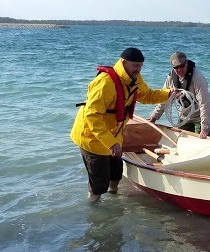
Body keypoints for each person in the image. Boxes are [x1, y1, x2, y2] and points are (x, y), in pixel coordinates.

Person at [71, 47, 175, 203]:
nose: (138, 70)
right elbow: (92, 116)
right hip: (91, 137)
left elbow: (146, 96)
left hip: (113, 134)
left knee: (116, 172)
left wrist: (169, 93)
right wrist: (111, 143)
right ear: (124, 62)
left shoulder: (134, 78)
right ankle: (95, 210)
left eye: (140, 66)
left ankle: (115, 201)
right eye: (135, 66)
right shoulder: (105, 83)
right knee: (98, 183)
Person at [149, 51, 210, 138]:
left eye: (182, 66)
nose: (179, 70)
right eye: (176, 67)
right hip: (185, 115)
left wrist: (204, 128)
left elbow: (204, 103)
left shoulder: (197, 76)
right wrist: (154, 118)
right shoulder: (171, 77)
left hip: (199, 116)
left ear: (186, 63)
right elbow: (164, 99)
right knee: (180, 139)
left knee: (202, 141)